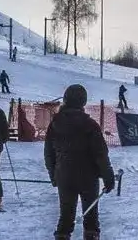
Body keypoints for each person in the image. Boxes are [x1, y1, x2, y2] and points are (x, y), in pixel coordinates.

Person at [44, 84, 115, 240]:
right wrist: (108, 177)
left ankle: (62, 236)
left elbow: (48, 153)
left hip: (64, 175)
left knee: (66, 216)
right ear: (83, 102)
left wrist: (54, 175)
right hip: (88, 177)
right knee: (90, 218)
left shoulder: (56, 123)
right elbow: (101, 154)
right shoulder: (90, 125)